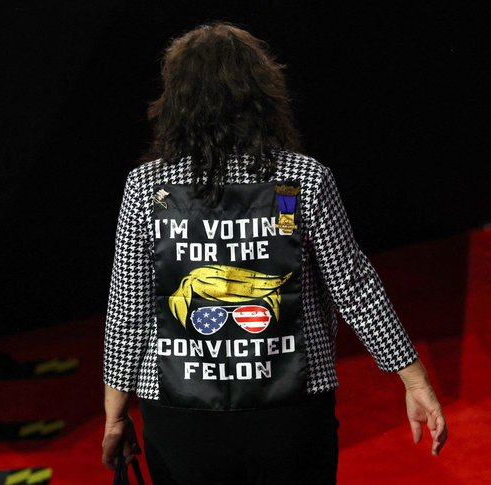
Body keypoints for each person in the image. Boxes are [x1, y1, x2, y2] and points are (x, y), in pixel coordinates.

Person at [101, 22, 447, 485]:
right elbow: (354, 287)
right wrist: (414, 380)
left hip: (182, 418)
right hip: (292, 415)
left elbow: (129, 312)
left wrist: (115, 416)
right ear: (262, 95)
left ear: (176, 102)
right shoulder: (303, 179)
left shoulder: (145, 188)